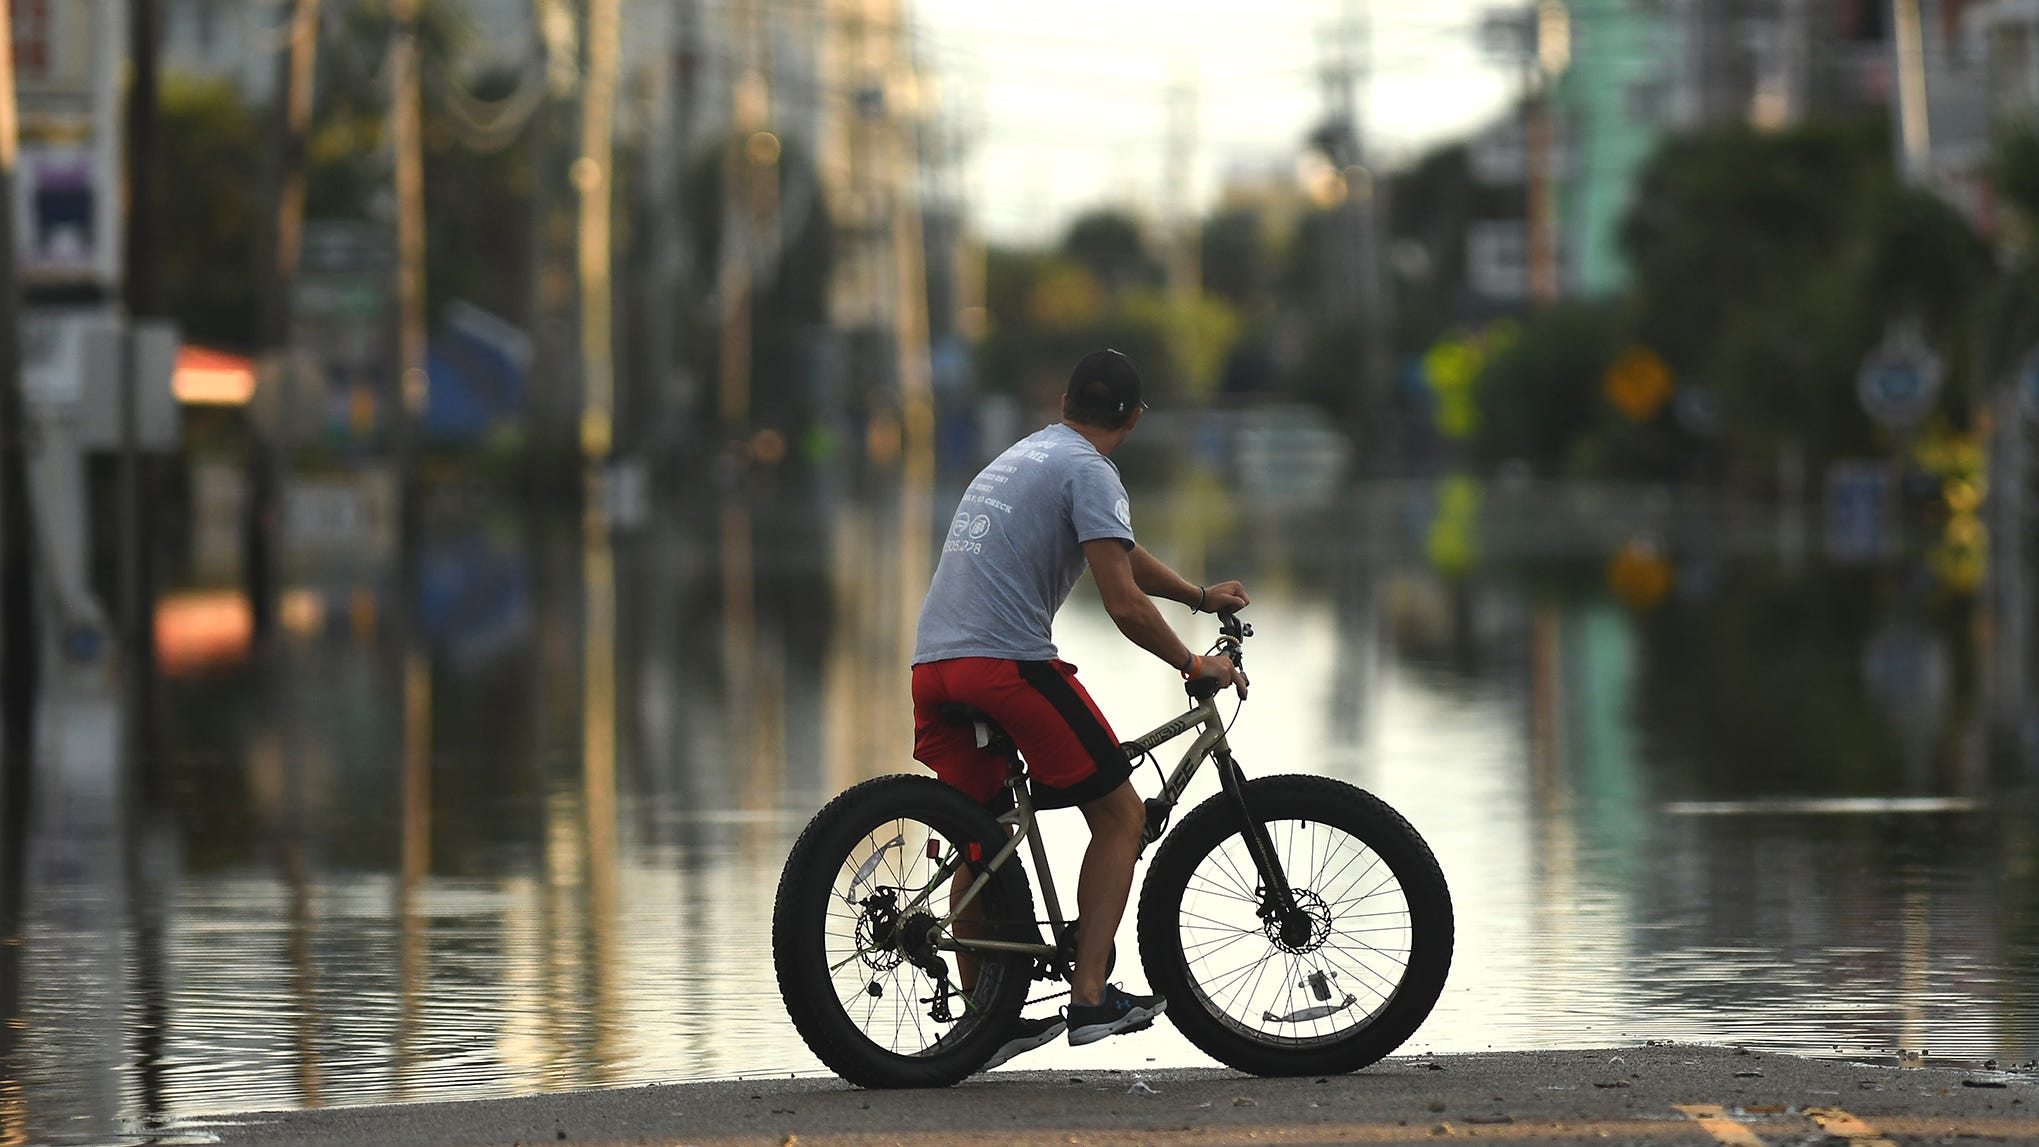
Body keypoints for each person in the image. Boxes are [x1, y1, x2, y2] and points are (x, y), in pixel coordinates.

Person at [910, 348, 1250, 1069]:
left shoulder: (1028, 455)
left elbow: (1118, 555)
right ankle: (1090, 998)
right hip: (1006, 665)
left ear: (1065, 402)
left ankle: (983, 1021)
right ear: (1133, 417)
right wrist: (1193, 662)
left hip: (935, 667)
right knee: (1121, 815)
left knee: (982, 835)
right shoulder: (1091, 470)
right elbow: (1120, 601)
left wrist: (1196, 596)